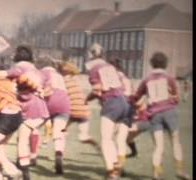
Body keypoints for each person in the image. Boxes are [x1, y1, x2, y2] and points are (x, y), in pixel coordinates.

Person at [0, 45, 49, 180]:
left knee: (22, 141)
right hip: (41, 108)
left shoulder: (20, 67)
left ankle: (21, 174)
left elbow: (10, 74)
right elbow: (46, 88)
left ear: (18, 56)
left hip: (30, 108)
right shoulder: (36, 69)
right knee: (5, 142)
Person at [132, 52, 190, 180]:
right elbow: (176, 98)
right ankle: (179, 171)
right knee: (175, 141)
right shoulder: (169, 78)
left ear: (152, 63)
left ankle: (156, 174)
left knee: (159, 146)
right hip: (169, 112)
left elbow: (136, 96)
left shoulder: (146, 79)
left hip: (154, 114)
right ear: (165, 63)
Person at [85, 43, 132, 180]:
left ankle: (111, 172)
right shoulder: (110, 67)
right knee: (114, 138)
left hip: (112, 102)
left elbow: (97, 89)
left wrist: (86, 99)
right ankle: (116, 164)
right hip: (124, 102)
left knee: (106, 139)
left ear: (91, 55)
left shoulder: (94, 69)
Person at [36, 56, 71, 174]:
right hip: (64, 103)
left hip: (49, 102)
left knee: (33, 127)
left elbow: (39, 88)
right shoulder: (59, 75)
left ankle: (31, 156)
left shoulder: (42, 72)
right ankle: (59, 153)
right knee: (59, 133)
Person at [58, 61, 98, 147]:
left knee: (60, 131)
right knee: (83, 137)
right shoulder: (75, 79)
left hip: (72, 110)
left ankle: (59, 151)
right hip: (83, 110)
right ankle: (95, 144)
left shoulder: (62, 81)